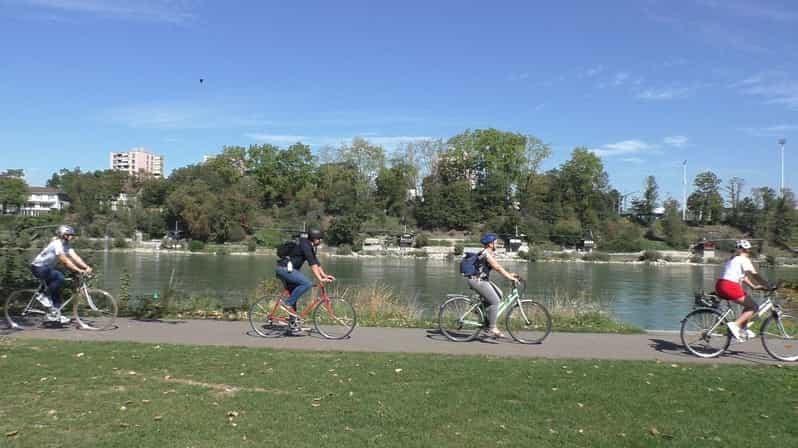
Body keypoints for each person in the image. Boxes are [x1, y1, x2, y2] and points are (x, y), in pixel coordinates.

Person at [30, 225, 93, 323]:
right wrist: (78, 270)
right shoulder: (57, 244)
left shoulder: (66, 245)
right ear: (63, 235)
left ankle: (56, 313)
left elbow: (75, 257)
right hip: (38, 267)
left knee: (57, 290)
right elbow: (65, 260)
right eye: (69, 235)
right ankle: (42, 295)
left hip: (47, 269)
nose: (71, 237)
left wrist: (86, 267)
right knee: (59, 277)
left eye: (72, 235)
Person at [275, 229, 335, 332]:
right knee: (307, 283)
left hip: (290, 270)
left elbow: (316, 262)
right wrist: (320, 278)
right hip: (284, 269)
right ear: (315, 239)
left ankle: (293, 324)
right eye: (320, 238)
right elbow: (312, 264)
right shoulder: (305, 245)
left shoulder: (309, 246)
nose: (321, 241)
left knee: (294, 296)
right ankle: (286, 304)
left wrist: (324, 275)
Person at [464, 233, 520, 338]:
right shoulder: (486, 254)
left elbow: (495, 267)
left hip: (482, 280)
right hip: (477, 281)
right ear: (490, 244)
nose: (497, 244)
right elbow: (497, 267)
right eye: (496, 242)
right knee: (495, 301)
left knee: (499, 294)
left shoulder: (487, 253)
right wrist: (509, 277)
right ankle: (492, 327)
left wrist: (509, 274)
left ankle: (483, 316)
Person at [714, 239, 769, 341]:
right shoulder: (743, 259)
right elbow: (754, 274)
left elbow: (742, 277)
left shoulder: (732, 259)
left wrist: (753, 286)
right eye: (748, 249)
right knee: (754, 306)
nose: (749, 251)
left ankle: (743, 330)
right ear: (746, 250)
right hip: (730, 286)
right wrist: (767, 284)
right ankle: (735, 325)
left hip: (721, 284)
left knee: (748, 305)